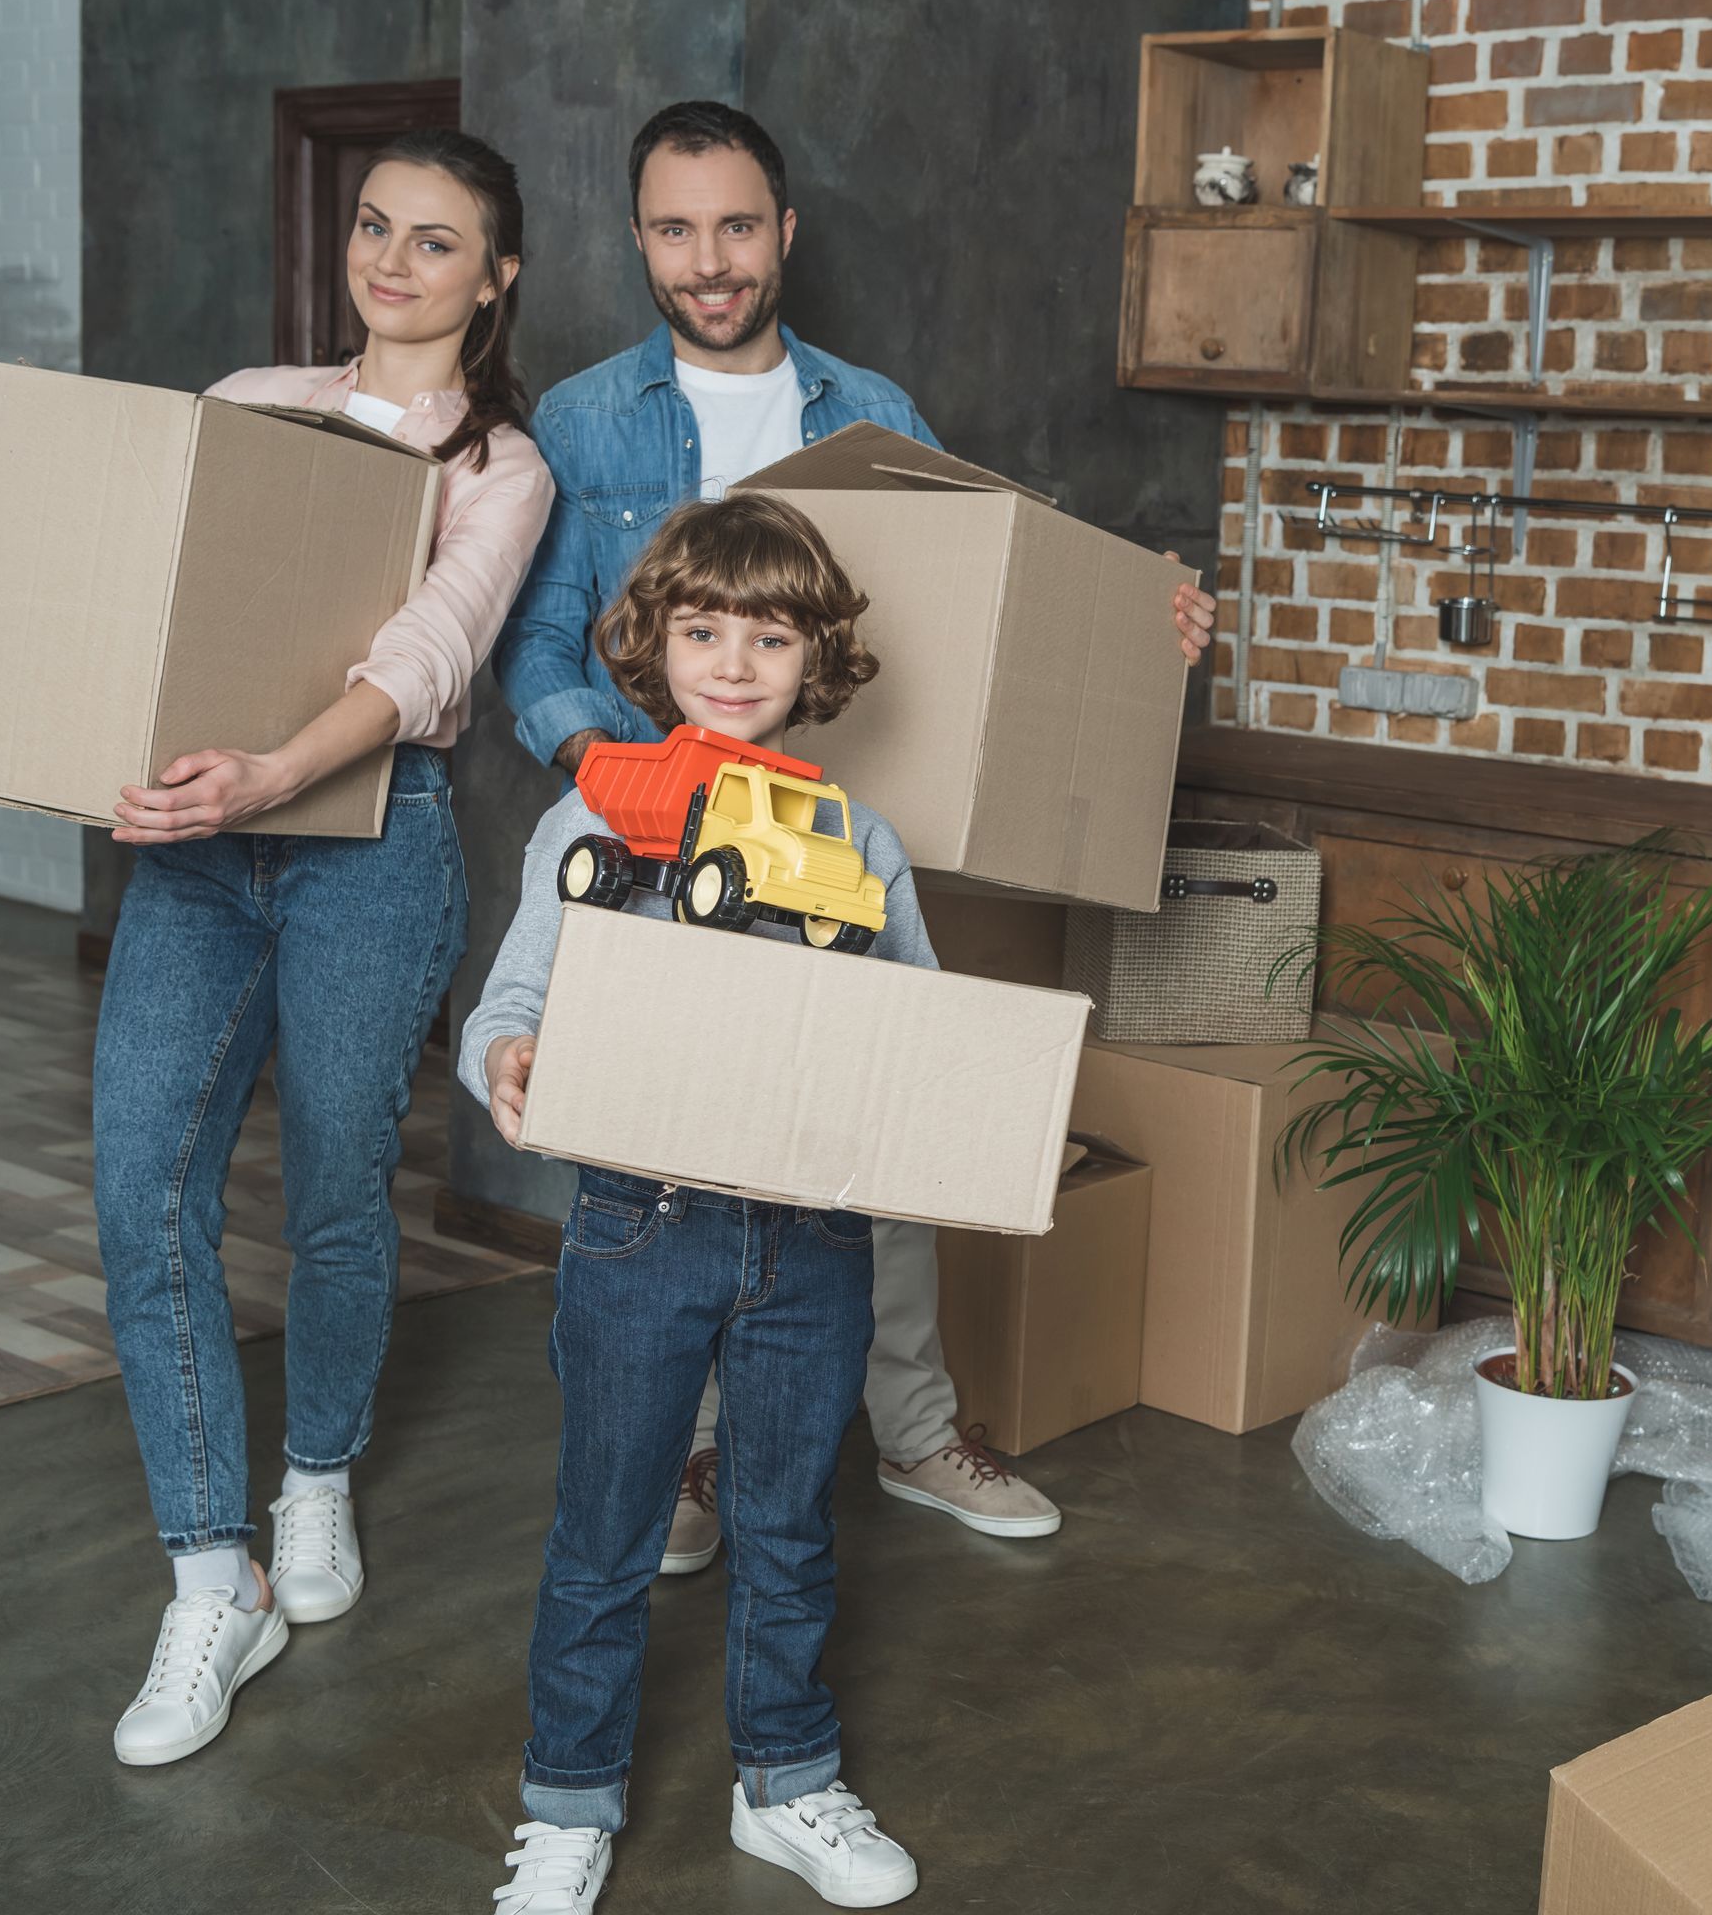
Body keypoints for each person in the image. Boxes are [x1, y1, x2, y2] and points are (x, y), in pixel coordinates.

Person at [496, 97, 1218, 1574]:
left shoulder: (873, 407)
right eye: (679, 229)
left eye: (739, 225)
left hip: (832, 848)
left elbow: (982, 594)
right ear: (639, 238)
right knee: (680, 1160)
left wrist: (1142, 632)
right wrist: (634, 781)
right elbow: (543, 650)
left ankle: (913, 1429)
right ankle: (696, 1457)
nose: (712, 259)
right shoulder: (576, 421)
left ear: (786, 232)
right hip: (666, 860)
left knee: (867, 1134)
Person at [94, 127, 554, 1767]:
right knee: (143, 1187)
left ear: (494, 277)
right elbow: (146, 607)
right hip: (200, 852)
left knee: (339, 1193)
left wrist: (282, 770)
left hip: (371, 845)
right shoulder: (247, 400)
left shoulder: (501, 465)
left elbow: (432, 651)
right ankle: (211, 1577)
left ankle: (315, 1481)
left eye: (438, 243)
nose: (392, 262)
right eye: (376, 228)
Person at [464, 493, 930, 1911]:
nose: (734, 661)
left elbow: (913, 1025)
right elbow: (517, 993)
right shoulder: (592, 817)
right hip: (638, 1223)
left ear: (817, 658)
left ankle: (786, 1778)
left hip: (809, 1234)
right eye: (704, 629)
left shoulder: (857, 836)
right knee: (606, 1524)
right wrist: (511, 1052)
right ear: (654, 642)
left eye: (770, 635)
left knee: (790, 1521)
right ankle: (568, 1797)